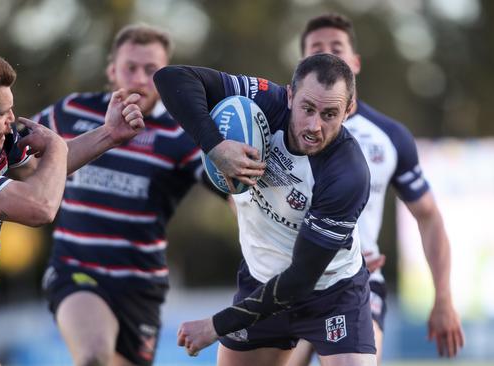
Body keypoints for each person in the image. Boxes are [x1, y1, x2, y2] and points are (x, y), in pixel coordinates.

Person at [0, 46, 143, 366]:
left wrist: (109, 134)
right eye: (2, 113)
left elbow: (40, 173)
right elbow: (40, 207)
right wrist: (56, 146)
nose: (11, 121)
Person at [155, 54, 376, 366]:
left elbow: (300, 279)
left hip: (332, 293)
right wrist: (215, 146)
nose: (314, 125)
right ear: (289, 95)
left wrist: (215, 326)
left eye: (329, 114)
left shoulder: (347, 175)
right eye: (307, 108)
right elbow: (172, 78)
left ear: (348, 111)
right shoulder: (264, 101)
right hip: (260, 280)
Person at [287, 14, 465, 366]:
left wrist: (443, 297)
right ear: (302, 64)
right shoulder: (273, 125)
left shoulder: (390, 136)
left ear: (355, 62)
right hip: (285, 282)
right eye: (317, 49)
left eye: (337, 48)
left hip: (358, 284)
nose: (329, 55)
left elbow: (428, 216)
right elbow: (241, 199)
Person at [35, 24, 215, 366]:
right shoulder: (71, 112)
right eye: (130, 67)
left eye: (152, 71)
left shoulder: (182, 135)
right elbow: (16, 154)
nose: (140, 79)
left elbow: (230, 191)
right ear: (111, 70)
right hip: (76, 269)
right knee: (93, 357)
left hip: (140, 286)